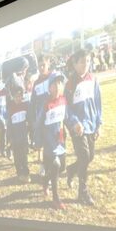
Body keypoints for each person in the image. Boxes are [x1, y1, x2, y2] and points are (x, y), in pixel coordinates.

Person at [65, 50, 102, 205]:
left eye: (87, 61)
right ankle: (83, 193)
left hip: (91, 125)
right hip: (77, 127)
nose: (85, 64)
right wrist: (74, 123)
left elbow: (98, 102)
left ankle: (72, 170)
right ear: (74, 64)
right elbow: (66, 107)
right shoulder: (70, 83)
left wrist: (99, 123)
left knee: (89, 157)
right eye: (82, 62)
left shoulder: (93, 79)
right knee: (85, 156)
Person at [37, 71, 68, 210]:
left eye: (60, 83)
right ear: (49, 87)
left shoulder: (63, 100)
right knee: (55, 165)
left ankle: (45, 180)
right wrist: (37, 142)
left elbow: (67, 117)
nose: (57, 86)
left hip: (60, 141)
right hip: (49, 143)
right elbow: (38, 124)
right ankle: (56, 199)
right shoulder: (45, 104)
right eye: (54, 84)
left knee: (62, 167)